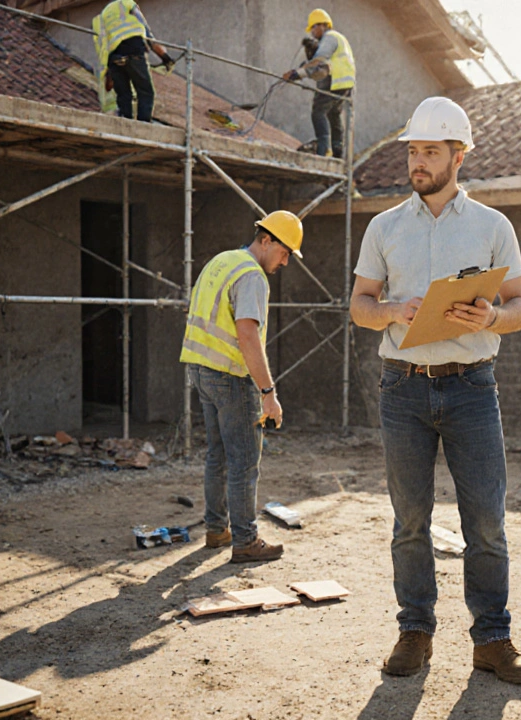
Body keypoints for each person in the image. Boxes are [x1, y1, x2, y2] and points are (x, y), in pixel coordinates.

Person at [349, 96, 521, 684]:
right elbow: (359, 307)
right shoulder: (384, 227)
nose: (418, 161)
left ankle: (493, 640)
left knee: (485, 520)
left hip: (472, 389)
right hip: (401, 389)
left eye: (430, 151)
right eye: (413, 151)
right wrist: (389, 311)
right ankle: (415, 632)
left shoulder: (492, 226)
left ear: (458, 155)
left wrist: (491, 319)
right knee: (410, 519)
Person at [180, 211, 305, 564]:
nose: (285, 261)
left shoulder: (222, 261)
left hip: (202, 370)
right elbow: (247, 334)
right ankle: (246, 541)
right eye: (285, 252)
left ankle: (218, 530)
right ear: (266, 240)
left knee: (218, 456)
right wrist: (268, 393)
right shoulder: (251, 276)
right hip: (231, 377)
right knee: (244, 462)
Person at [282, 8, 355, 158]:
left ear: (321, 25)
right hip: (345, 85)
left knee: (318, 112)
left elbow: (318, 62)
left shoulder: (330, 37)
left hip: (335, 83)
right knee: (334, 114)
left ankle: (324, 149)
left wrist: (297, 73)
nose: (312, 33)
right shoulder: (340, 38)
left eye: (313, 28)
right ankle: (337, 150)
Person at [92, 0, 173, 122]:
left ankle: (124, 122)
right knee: (145, 91)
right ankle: (143, 125)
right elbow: (148, 36)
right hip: (134, 51)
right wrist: (166, 58)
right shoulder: (128, 4)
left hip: (114, 57)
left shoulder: (104, 14)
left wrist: (108, 73)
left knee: (124, 95)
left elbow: (103, 44)